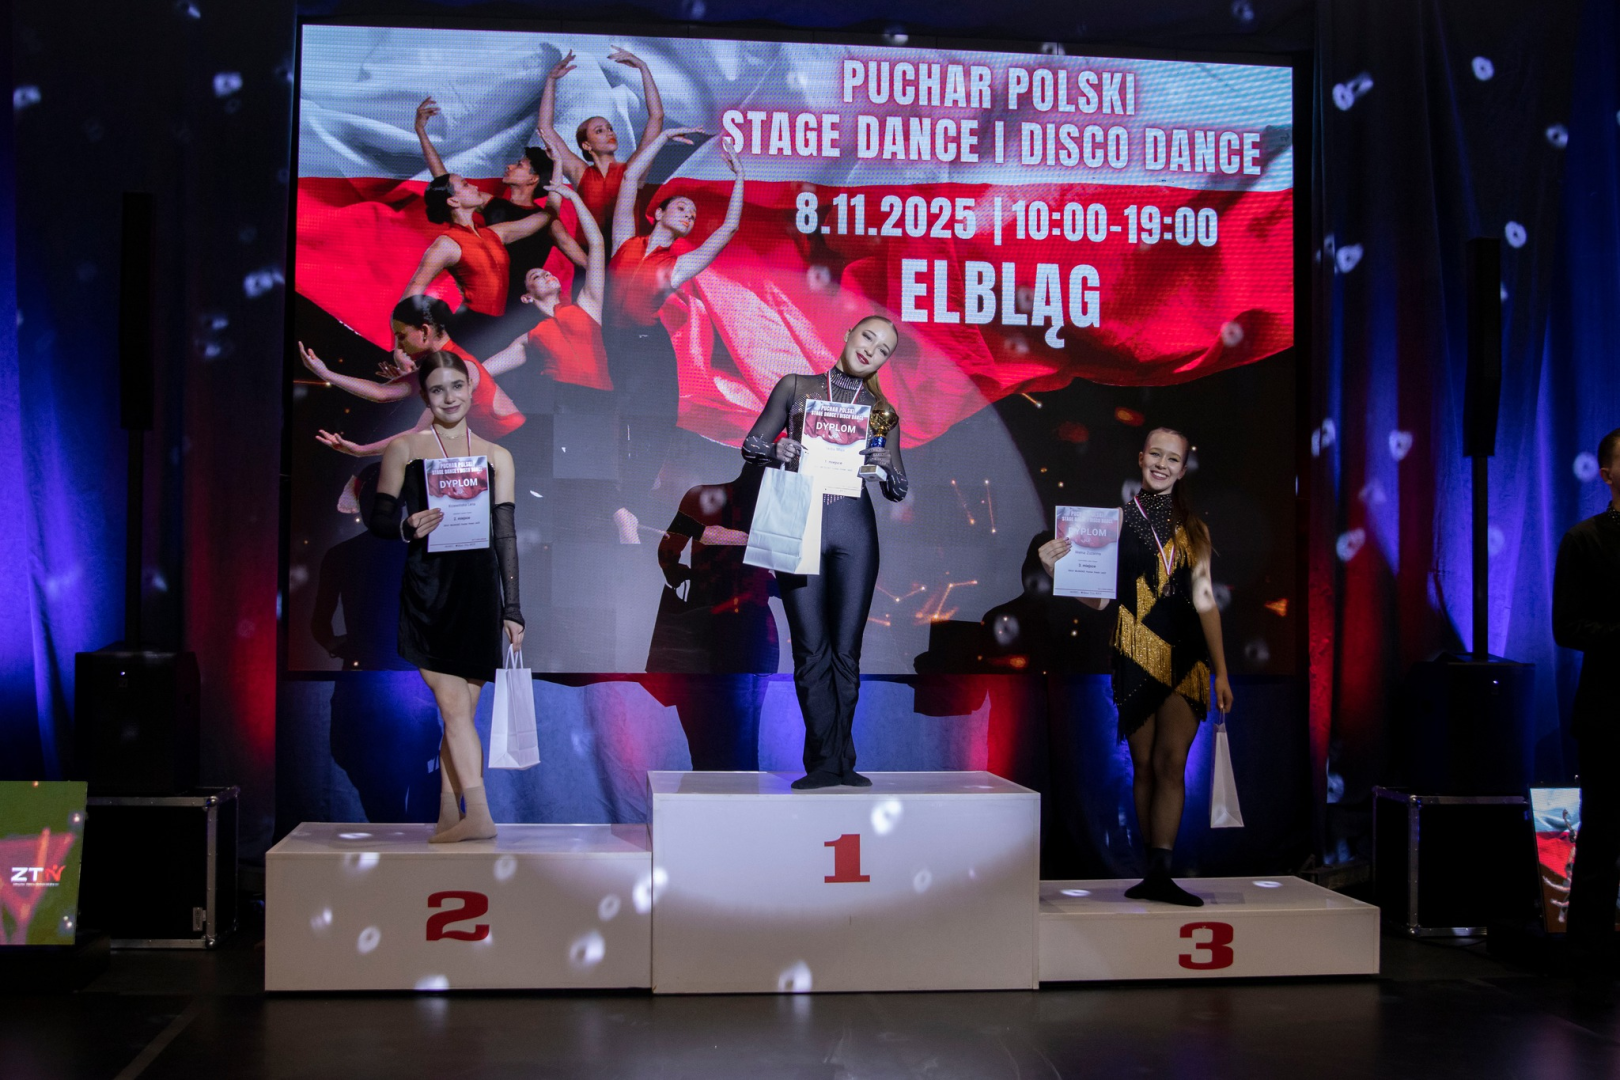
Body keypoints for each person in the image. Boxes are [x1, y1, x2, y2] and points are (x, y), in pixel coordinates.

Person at [1039, 427, 1234, 905]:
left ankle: (1163, 874)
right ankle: (1151, 872)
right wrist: (1055, 570)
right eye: (1156, 455)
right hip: (1134, 653)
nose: (1163, 464)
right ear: (1142, 457)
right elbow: (1099, 600)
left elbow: (1205, 601)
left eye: (1173, 459)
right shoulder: (1112, 523)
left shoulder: (1195, 529)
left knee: (1172, 764)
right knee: (1144, 766)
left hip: (1186, 658)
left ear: (1182, 469)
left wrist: (1222, 671)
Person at [741, 315, 909, 790]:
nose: (871, 350)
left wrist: (885, 466)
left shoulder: (882, 411)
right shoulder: (796, 387)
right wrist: (778, 451)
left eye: (883, 350)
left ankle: (842, 762)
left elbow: (898, 488)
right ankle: (822, 764)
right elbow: (752, 445)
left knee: (846, 653)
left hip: (854, 533)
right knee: (811, 650)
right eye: (868, 337)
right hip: (799, 522)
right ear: (848, 334)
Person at [366, 352, 524, 843]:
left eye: (457, 386)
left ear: (471, 389)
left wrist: (512, 608)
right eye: (437, 389)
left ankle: (448, 815)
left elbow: (505, 536)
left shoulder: (497, 456)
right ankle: (480, 815)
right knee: (455, 710)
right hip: (429, 594)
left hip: (478, 596)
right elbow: (379, 518)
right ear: (425, 396)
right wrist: (405, 526)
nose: (449, 397)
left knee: (461, 718)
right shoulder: (405, 449)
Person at [604, 129, 745, 540]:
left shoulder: (677, 266)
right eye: (682, 208)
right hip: (613, 345)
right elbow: (630, 179)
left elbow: (729, 228)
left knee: (657, 425)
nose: (689, 215)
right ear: (658, 213)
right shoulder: (623, 241)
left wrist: (739, 177)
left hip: (650, 352)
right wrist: (663, 136)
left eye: (693, 216)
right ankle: (627, 508)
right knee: (619, 426)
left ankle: (631, 513)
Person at [1553, 426, 1620, 998]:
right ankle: (1588, 960)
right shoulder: (1585, 540)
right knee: (1602, 837)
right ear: (1607, 474)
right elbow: (1567, 626)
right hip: (1610, 710)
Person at [300, 295, 523, 457]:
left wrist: (360, 450)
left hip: (516, 447)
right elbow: (382, 392)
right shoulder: (442, 362)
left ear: (424, 331)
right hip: (501, 447)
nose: (399, 347)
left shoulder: (451, 369)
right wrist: (326, 374)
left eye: (401, 336)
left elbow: (421, 432)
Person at [413, 95, 586, 302]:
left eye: (519, 165)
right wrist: (421, 132)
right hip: (483, 299)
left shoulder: (548, 221)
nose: (509, 166)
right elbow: (444, 182)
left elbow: (586, 264)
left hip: (518, 307)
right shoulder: (492, 204)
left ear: (533, 179)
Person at [481, 181, 611, 394]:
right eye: (537, 276)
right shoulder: (529, 338)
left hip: (599, 402)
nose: (547, 274)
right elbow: (480, 372)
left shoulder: (588, 306)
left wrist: (574, 198)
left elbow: (597, 243)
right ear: (527, 297)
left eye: (547, 273)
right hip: (559, 401)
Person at [404, 172, 562, 347]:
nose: (475, 186)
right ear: (453, 201)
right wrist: (405, 345)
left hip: (497, 328)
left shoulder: (495, 233)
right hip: (469, 329)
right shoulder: (446, 243)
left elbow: (547, 215)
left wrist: (558, 166)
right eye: (465, 185)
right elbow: (412, 292)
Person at [536, 47, 668, 248]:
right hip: (588, 260)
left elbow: (656, 117)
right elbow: (545, 128)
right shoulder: (580, 173)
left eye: (610, 128)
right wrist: (551, 80)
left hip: (627, 260)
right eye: (599, 131)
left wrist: (643, 67)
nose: (609, 133)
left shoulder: (632, 170)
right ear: (586, 145)